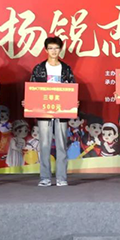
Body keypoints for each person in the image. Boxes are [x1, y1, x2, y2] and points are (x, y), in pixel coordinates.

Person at [30, 36, 76, 187]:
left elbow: (72, 88)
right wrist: (29, 101)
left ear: (60, 49)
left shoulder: (66, 69)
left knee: (62, 144)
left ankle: (62, 177)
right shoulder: (39, 68)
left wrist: (73, 101)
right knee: (44, 144)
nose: (54, 51)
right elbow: (32, 88)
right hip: (44, 111)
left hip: (62, 112)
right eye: (50, 48)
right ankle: (45, 177)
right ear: (46, 50)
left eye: (56, 48)